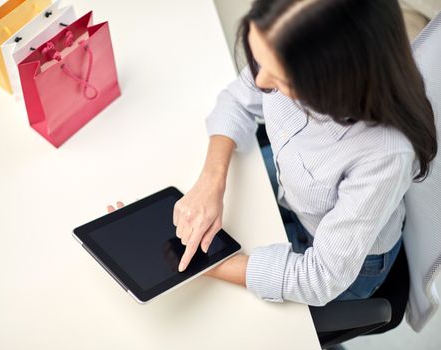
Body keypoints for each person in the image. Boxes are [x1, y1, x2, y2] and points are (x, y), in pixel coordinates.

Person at [108, 0, 437, 306]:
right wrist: (210, 183)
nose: (261, 81)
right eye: (258, 60)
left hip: (344, 267)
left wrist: (203, 262)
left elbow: (320, 278)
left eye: (280, 78)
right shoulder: (283, 47)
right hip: (291, 191)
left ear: (335, 81)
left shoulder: (385, 154)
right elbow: (237, 100)